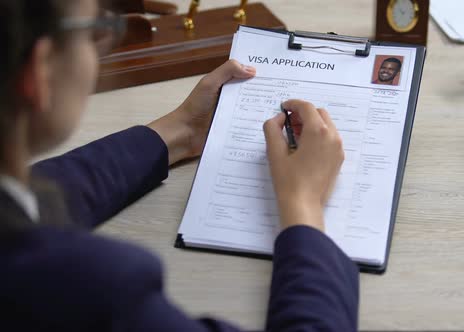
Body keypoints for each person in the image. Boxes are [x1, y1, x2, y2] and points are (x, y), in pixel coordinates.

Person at [0, 0, 359, 331]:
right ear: (40, 71)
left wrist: (182, 130)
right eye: (93, 30)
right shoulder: (89, 290)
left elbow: (29, 198)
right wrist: (304, 205)